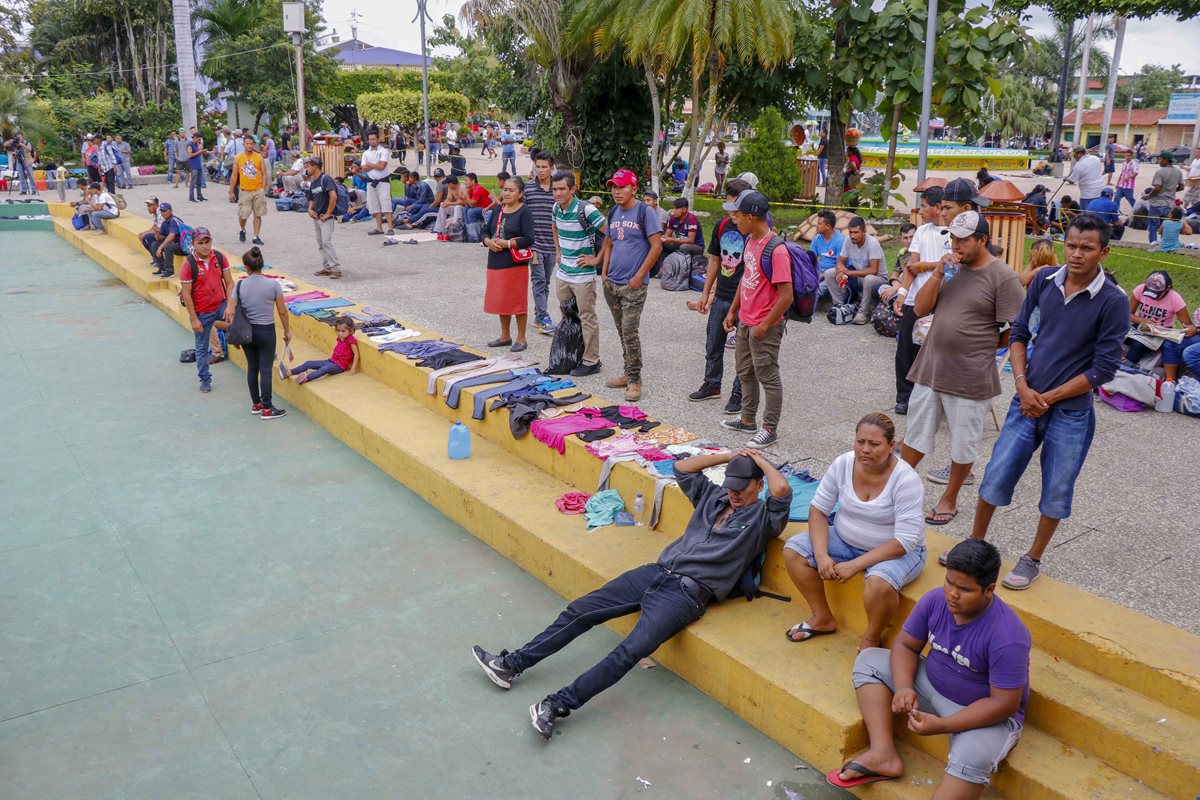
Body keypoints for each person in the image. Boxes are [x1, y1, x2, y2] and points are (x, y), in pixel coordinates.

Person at [471, 449, 792, 741]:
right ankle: (510, 664)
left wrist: (758, 459)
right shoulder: (713, 497)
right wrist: (727, 457)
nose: (734, 493)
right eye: (731, 485)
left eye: (742, 487)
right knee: (580, 611)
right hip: (655, 572)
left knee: (629, 651)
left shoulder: (763, 520)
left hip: (685, 595)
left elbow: (782, 491)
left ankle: (555, 705)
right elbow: (681, 468)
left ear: (758, 485)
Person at [953, 215, 1128, 591]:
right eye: (1072, 245)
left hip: (1071, 412)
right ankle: (975, 543)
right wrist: (1021, 384)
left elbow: (1105, 367)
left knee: (1057, 488)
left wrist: (1048, 397)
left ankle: (1032, 558)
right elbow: (1019, 334)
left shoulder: (1112, 301)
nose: (1077, 254)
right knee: (996, 473)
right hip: (1026, 400)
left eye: (1087, 248)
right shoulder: (1045, 282)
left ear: (1104, 251)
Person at [829, 539, 1030, 796]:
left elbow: (1004, 705)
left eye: (965, 590)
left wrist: (944, 725)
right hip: (931, 687)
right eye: (950, 582)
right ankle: (882, 754)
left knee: (972, 757)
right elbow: (905, 645)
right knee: (869, 660)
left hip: (984, 716)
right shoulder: (936, 600)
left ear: (989, 590)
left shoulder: (1008, 636)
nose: (952, 594)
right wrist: (902, 687)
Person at [902, 210, 1024, 527]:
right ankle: (896, 486)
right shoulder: (951, 269)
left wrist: (986, 344)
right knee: (915, 434)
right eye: (953, 238)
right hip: (931, 366)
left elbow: (1019, 328)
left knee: (963, 443)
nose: (956, 245)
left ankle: (950, 497)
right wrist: (938, 273)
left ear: (982, 240)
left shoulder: (1002, 276)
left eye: (964, 239)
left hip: (970, 374)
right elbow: (920, 308)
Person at [783, 413, 926, 649]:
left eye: (874, 444)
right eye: (860, 442)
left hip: (896, 551)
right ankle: (822, 618)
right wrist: (821, 555)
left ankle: (871, 637)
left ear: (892, 445)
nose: (865, 449)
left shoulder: (906, 479)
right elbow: (818, 509)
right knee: (793, 551)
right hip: (844, 539)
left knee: (879, 583)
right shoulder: (843, 464)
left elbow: (904, 541)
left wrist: (855, 565)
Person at [719, 189, 793, 448]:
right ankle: (747, 419)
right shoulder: (750, 241)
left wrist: (764, 325)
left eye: (737, 215)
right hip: (745, 321)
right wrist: (733, 311)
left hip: (765, 326)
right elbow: (746, 278)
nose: (733, 219)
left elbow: (786, 296)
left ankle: (769, 428)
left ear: (750, 217)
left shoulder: (777, 250)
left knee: (768, 376)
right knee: (745, 371)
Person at [600, 169, 663, 403]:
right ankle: (627, 373)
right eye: (614, 187)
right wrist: (604, 272)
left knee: (629, 332)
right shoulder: (614, 211)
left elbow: (656, 247)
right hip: (612, 284)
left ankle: (635, 380)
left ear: (634, 189)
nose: (617, 191)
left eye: (622, 187)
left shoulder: (645, 212)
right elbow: (609, 242)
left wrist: (639, 276)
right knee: (621, 332)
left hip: (633, 285)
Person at [688, 178, 751, 410]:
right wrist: (706, 292)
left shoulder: (754, 231)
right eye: (729, 206)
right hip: (722, 295)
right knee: (713, 344)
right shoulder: (722, 226)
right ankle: (712, 385)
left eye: (735, 208)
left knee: (744, 351)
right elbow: (715, 260)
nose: (731, 212)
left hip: (746, 300)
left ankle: (739, 392)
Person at [891, 187, 950, 415]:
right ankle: (904, 397)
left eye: (924, 205)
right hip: (915, 298)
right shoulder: (922, 232)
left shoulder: (953, 234)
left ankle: (935, 397)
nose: (921, 210)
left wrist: (926, 266)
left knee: (936, 350)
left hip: (942, 299)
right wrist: (903, 292)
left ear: (938, 207)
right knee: (906, 349)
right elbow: (911, 266)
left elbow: (952, 263)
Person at [226, 246, 292, 419]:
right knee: (266, 370)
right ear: (261, 264)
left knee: (252, 368)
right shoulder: (273, 285)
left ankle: (256, 404)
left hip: (247, 332)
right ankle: (268, 408)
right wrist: (287, 330)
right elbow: (282, 311)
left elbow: (231, 312)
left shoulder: (239, 286)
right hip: (266, 331)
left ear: (246, 268)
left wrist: (234, 335)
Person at [551, 170, 606, 376]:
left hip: (584, 275)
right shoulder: (556, 208)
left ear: (573, 189)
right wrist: (558, 251)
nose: (558, 193)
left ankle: (592, 361)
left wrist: (597, 259)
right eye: (555, 189)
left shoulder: (587, 209)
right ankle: (573, 355)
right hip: (563, 273)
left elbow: (610, 233)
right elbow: (554, 228)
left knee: (587, 317)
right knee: (568, 316)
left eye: (562, 189)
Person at [482, 177, 536, 352]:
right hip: (495, 260)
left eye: (511, 190)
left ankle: (521, 338)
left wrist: (507, 244)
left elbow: (529, 238)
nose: (506, 193)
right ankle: (505, 335)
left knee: (517, 301)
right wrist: (488, 241)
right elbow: (485, 230)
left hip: (514, 262)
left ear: (520, 194)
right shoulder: (499, 209)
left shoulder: (524, 212)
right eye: (505, 189)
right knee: (501, 299)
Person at [179, 228, 233, 394]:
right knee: (201, 348)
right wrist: (194, 319)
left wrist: (230, 306)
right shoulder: (189, 264)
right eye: (200, 243)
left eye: (207, 242)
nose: (204, 246)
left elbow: (230, 283)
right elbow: (187, 295)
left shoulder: (219, 257)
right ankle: (205, 379)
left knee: (244, 322)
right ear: (193, 244)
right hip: (202, 313)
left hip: (220, 305)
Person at [1125, 269, 1197, 382]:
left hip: (1161, 332)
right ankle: (1125, 370)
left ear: (1167, 289)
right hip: (1141, 327)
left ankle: (1129, 371)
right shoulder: (1140, 289)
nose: (1153, 297)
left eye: (1157, 294)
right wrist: (1143, 321)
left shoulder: (1175, 299)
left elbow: (1187, 325)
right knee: (1137, 343)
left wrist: (1191, 329)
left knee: (1158, 346)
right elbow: (1127, 314)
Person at [826, 216, 884, 324]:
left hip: (877, 280)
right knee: (829, 273)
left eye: (856, 232)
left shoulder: (873, 243)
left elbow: (874, 270)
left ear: (864, 232)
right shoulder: (848, 241)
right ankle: (840, 306)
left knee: (869, 279)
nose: (852, 235)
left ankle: (863, 312)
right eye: (850, 232)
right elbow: (840, 261)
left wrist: (849, 272)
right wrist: (841, 270)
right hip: (857, 277)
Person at [525, 151, 559, 335]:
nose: (540, 170)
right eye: (537, 166)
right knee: (538, 281)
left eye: (544, 167)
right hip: (535, 244)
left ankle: (538, 317)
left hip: (553, 244)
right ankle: (544, 317)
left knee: (545, 282)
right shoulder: (528, 189)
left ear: (552, 168)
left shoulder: (558, 189)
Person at [290, 316, 359, 384]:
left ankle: (306, 378)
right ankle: (290, 372)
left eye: (343, 331)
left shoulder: (350, 340)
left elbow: (356, 354)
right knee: (308, 363)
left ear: (351, 331)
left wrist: (353, 368)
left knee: (324, 369)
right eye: (338, 331)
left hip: (339, 367)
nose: (340, 333)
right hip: (331, 361)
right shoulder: (341, 338)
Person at [305, 156, 342, 279]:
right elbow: (312, 198)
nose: (307, 168)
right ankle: (327, 267)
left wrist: (328, 213)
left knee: (326, 242)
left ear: (315, 166)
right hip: (317, 216)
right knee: (321, 243)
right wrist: (310, 209)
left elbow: (333, 196)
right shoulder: (313, 181)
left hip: (326, 217)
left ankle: (336, 268)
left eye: (308, 166)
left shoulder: (325, 179)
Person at [230, 134, 267, 245]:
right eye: (247, 144)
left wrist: (263, 189)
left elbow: (264, 173)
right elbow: (234, 175)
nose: (249, 146)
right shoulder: (238, 158)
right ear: (244, 144)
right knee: (243, 215)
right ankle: (243, 229)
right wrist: (231, 191)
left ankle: (255, 236)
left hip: (258, 190)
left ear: (254, 144)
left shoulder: (259, 157)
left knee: (258, 214)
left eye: (251, 144)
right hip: (245, 191)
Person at [359, 130, 395, 237]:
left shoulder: (384, 151)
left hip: (383, 181)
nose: (371, 141)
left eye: (373, 139)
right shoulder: (366, 153)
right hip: (371, 181)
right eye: (370, 139)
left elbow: (382, 166)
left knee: (386, 203)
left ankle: (390, 227)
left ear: (378, 139)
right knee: (374, 205)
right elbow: (364, 168)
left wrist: (369, 164)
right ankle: (379, 228)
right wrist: (374, 164)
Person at [1144, 150, 1183, 246]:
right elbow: (1181, 187)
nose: (1158, 161)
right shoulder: (1178, 172)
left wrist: (1148, 196)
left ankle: (1153, 245)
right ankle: (1163, 245)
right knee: (1165, 227)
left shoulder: (1160, 172)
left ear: (1166, 160)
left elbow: (1157, 188)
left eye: (1160, 159)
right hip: (1169, 204)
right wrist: (1170, 191)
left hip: (1156, 204)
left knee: (1153, 227)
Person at [809, 211, 847, 291]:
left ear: (828, 226)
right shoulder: (817, 238)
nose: (816, 226)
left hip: (833, 274)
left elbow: (840, 266)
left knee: (816, 291)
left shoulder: (840, 241)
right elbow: (810, 260)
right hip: (819, 272)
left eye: (819, 224)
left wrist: (823, 275)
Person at [1066, 145, 1103, 210]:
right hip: (1099, 190)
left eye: (1075, 155)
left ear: (1080, 154)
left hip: (1087, 194)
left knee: (1086, 215)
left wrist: (1066, 178)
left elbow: (1072, 180)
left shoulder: (1079, 165)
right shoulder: (1096, 158)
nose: (1074, 157)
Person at [152, 202, 184, 277]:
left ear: (171, 211)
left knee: (167, 247)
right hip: (175, 244)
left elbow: (171, 236)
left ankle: (170, 272)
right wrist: (156, 231)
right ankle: (162, 269)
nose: (163, 213)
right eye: (162, 211)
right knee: (154, 245)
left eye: (165, 210)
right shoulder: (164, 223)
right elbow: (160, 238)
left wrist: (160, 248)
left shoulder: (174, 220)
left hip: (183, 245)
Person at [432, 175, 466, 240]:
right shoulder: (450, 188)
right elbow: (448, 198)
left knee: (457, 207)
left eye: (448, 184)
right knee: (443, 208)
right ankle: (440, 229)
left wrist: (449, 203)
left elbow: (462, 202)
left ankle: (455, 229)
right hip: (456, 206)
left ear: (450, 183)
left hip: (464, 208)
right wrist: (445, 203)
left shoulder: (462, 187)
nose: (447, 185)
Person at [138, 196, 165, 265]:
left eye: (149, 206)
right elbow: (154, 227)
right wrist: (143, 233)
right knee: (142, 236)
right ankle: (154, 257)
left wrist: (146, 234)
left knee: (148, 237)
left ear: (156, 205)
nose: (148, 208)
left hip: (167, 235)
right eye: (147, 206)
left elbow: (159, 230)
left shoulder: (161, 213)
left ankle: (159, 260)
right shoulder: (155, 213)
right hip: (161, 233)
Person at [187, 133, 208, 203]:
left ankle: (199, 196)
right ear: (195, 137)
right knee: (193, 182)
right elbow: (189, 155)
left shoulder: (197, 144)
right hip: (194, 166)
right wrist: (199, 152)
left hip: (199, 165)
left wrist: (202, 151)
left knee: (199, 182)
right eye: (198, 139)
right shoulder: (190, 144)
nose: (199, 140)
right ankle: (191, 197)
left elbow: (199, 153)